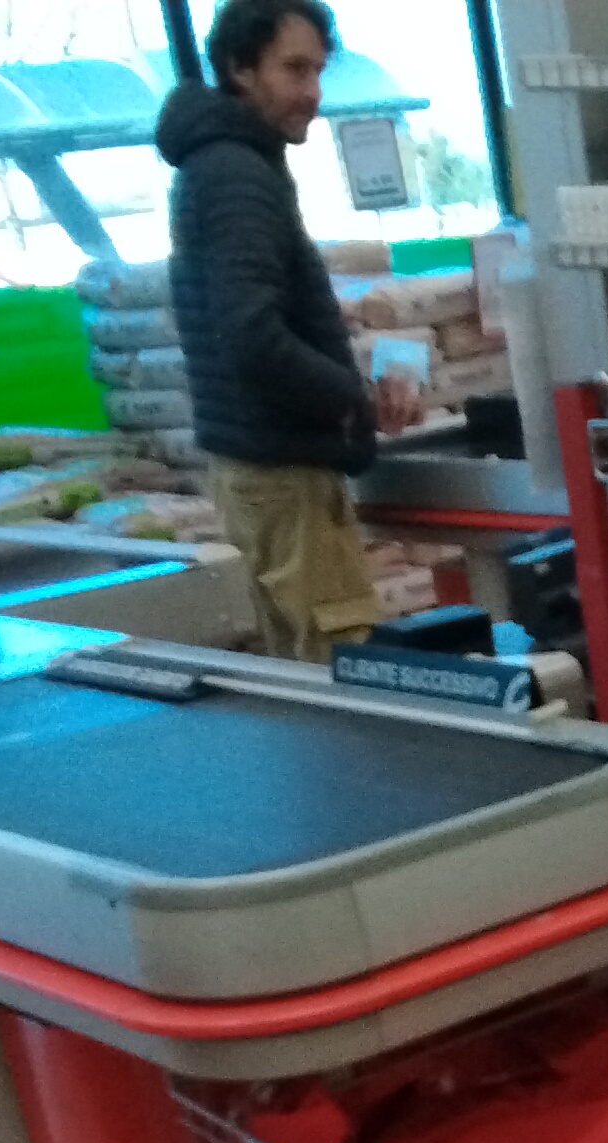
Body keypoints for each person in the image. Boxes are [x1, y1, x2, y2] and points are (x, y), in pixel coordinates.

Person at [159, 0, 422, 662]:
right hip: (284, 477)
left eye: (318, 71)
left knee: (299, 670)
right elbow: (252, 337)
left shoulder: (222, 164)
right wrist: (352, 400)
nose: (312, 92)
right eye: (294, 70)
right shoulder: (237, 175)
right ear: (240, 69)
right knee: (340, 667)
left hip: (260, 470)